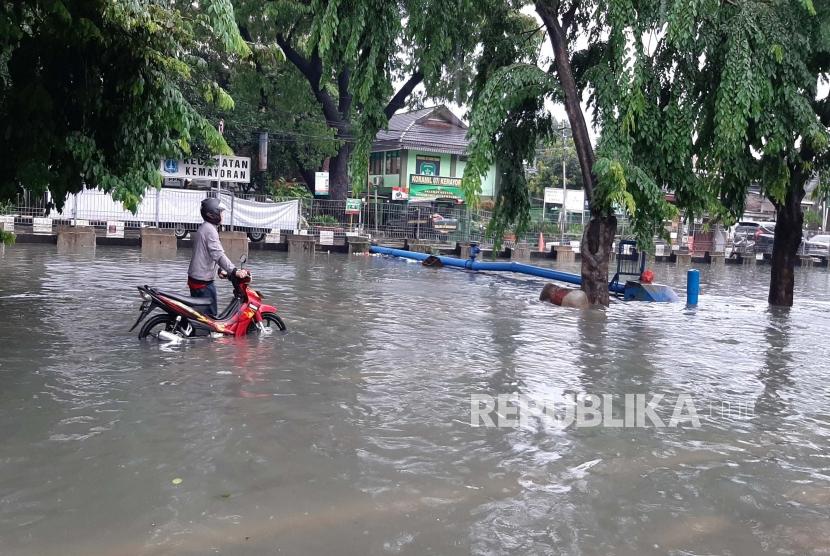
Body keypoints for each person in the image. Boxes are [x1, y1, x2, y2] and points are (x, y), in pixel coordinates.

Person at [187, 197, 248, 317]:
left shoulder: (206, 227)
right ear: (212, 214)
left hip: (197, 277)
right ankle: (205, 336)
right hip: (203, 281)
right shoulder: (210, 230)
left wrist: (220, 270)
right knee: (211, 317)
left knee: (200, 315)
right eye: (220, 212)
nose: (222, 215)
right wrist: (235, 271)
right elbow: (218, 254)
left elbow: (208, 254)